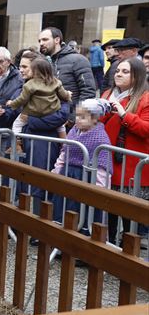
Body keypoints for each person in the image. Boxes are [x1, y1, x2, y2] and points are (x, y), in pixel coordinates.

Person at [14, 50, 70, 219]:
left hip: (43, 144)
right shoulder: (24, 86)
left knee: (41, 182)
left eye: (25, 67)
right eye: (20, 66)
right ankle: (20, 222)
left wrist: (31, 120)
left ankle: (42, 223)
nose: (21, 70)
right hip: (27, 140)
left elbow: (61, 115)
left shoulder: (52, 86)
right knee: (23, 183)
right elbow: (15, 110)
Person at [100, 57, 149, 243]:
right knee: (108, 210)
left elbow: (146, 129)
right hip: (108, 162)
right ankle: (108, 249)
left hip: (131, 167)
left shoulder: (145, 98)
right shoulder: (106, 95)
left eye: (125, 71)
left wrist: (123, 114)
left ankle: (128, 258)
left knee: (130, 216)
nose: (118, 74)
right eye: (118, 71)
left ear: (136, 76)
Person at [49, 98, 112, 235]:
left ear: (95, 119)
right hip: (68, 175)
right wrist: (56, 170)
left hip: (87, 178)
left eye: (82, 117)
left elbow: (102, 165)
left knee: (83, 213)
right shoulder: (73, 132)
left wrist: (100, 188)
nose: (78, 120)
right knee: (63, 208)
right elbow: (65, 152)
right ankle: (60, 244)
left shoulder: (100, 138)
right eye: (77, 116)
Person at [37, 27, 96, 119]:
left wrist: (73, 118)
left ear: (57, 40)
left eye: (45, 39)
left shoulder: (78, 60)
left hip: (68, 120)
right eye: (39, 41)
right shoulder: (42, 61)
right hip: (47, 118)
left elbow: (88, 93)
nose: (41, 43)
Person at [6, 57, 71, 138]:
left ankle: (17, 142)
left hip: (33, 113)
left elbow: (22, 99)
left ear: (35, 71)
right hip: (51, 111)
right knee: (60, 126)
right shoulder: (56, 82)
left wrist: (12, 104)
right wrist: (68, 95)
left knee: (17, 124)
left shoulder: (29, 84)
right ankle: (64, 144)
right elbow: (63, 95)